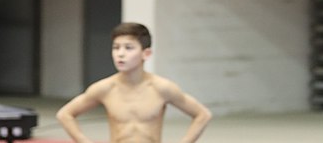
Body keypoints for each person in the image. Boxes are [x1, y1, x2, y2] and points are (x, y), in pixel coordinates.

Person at [56, 22, 212, 143]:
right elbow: (65, 114)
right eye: (116, 48)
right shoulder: (104, 88)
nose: (120, 54)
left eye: (128, 48)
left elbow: (202, 114)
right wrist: (83, 141)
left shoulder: (162, 88)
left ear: (146, 53)